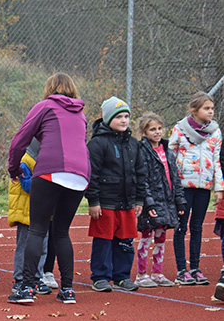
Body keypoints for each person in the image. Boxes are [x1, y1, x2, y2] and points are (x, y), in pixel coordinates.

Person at [7, 74, 90, 305]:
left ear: (49, 89)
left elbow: (20, 139)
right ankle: (68, 291)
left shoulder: (44, 106)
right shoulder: (81, 114)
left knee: (37, 229)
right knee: (62, 232)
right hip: (80, 175)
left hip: (51, 170)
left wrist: (13, 168)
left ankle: (25, 288)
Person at [86, 97, 152, 293]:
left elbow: (141, 173)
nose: (124, 120)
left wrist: (139, 199)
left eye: (126, 116)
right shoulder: (98, 144)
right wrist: (94, 200)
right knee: (103, 241)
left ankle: (122, 276)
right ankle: (100, 277)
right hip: (105, 203)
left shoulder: (134, 144)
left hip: (127, 203)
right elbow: (92, 174)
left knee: (125, 241)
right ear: (108, 119)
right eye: (119, 116)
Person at [168, 91, 223, 285]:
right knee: (181, 227)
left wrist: (219, 187)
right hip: (183, 187)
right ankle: (181, 270)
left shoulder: (215, 132)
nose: (211, 112)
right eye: (206, 108)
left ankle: (195, 268)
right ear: (194, 110)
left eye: (212, 108)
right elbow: (171, 158)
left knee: (197, 227)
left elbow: (217, 160)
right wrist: (172, 186)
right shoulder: (179, 130)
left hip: (204, 187)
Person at [135, 113, 185, 288]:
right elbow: (143, 180)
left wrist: (180, 200)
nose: (157, 132)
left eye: (159, 128)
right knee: (146, 237)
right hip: (152, 204)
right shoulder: (142, 152)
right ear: (144, 131)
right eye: (152, 129)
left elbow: (175, 178)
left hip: (167, 203)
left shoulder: (168, 152)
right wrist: (149, 202)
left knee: (161, 238)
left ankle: (157, 272)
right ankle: (141, 273)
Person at [8, 138, 53, 295]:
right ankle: (20, 278)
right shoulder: (25, 161)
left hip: (43, 212)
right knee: (24, 246)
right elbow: (27, 185)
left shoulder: (49, 162)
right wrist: (47, 182)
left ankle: (36, 277)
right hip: (26, 212)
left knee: (42, 247)